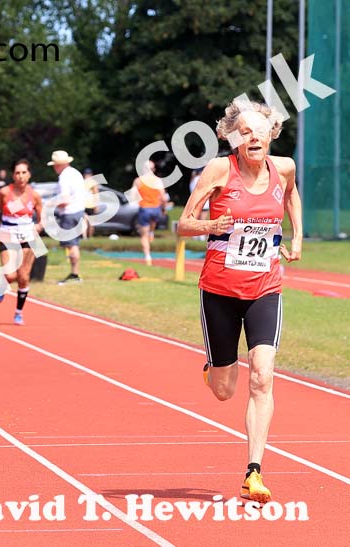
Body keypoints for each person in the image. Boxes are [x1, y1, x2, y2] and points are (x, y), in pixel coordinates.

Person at [178, 100, 302, 503]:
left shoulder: (283, 168)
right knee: (224, 389)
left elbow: (292, 197)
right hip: (218, 291)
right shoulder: (219, 170)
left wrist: (297, 236)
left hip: (265, 288)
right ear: (234, 137)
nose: (254, 138)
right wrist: (210, 225)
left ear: (271, 135)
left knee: (263, 376)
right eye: (245, 132)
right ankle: (213, 366)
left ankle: (254, 472)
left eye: (260, 132)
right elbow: (183, 224)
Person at [0, 158, 43, 325]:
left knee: (23, 277)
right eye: (17, 173)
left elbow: (42, 217)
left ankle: (18, 313)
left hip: (27, 236)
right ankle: (3, 283)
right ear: (13, 175)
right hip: (8, 234)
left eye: (24, 173)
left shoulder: (34, 195)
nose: (21, 176)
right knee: (10, 274)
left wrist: (39, 226)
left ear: (29, 174)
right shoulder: (5, 193)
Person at [48, 150, 87, 284]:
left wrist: (51, 205)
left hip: (70, 212)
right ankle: (74, 273)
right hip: (79, 210)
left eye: (55, 165)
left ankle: (74, 274)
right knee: (74, 244)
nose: (54, 168)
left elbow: (64, 200)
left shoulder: (64, 177)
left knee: (71, 245)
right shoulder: (76, 173)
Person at [131, 159, 168, 266]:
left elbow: (132, 196)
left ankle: (147, 256)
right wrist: (164, 209)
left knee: (143, 235)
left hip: (145, 208)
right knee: (150, 228)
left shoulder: (138, 180)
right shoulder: (157, 181)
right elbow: (164, 198)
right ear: (154, 169)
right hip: (155, 208)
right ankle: (151, 232)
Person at [83, 168, 100, 239]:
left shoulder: (82, 182)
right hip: (88, 205)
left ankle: (86, 237)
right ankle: (88, 237)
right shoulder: (93, 182)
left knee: (86, 222)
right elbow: (96, 194)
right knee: (88, 222)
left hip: (87, 205)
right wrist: (97, 205)